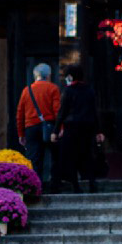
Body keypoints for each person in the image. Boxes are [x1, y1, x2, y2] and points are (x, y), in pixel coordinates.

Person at [51, 64, 104, 193]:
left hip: (72, 127)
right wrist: (98, 131)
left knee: (71, 156)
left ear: (70, 76)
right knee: (87, 156)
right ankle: (92, 183)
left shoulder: (68, 91)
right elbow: (94, 112)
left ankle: (76, 186)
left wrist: (56, 131)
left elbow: (62, 113)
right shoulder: (89, 90)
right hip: (87, 127)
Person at [16, 63, 61, 187]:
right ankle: (55, 186)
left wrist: (21, 133)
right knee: (55, 157)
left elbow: (20, 114)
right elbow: (57, 110)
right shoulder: (53, 88)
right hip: (49, 127)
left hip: (31, 128)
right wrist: (60, 128)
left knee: (34, 159)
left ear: (35, 75)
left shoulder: (26, 90)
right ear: (49, 75)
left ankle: (35, 187)